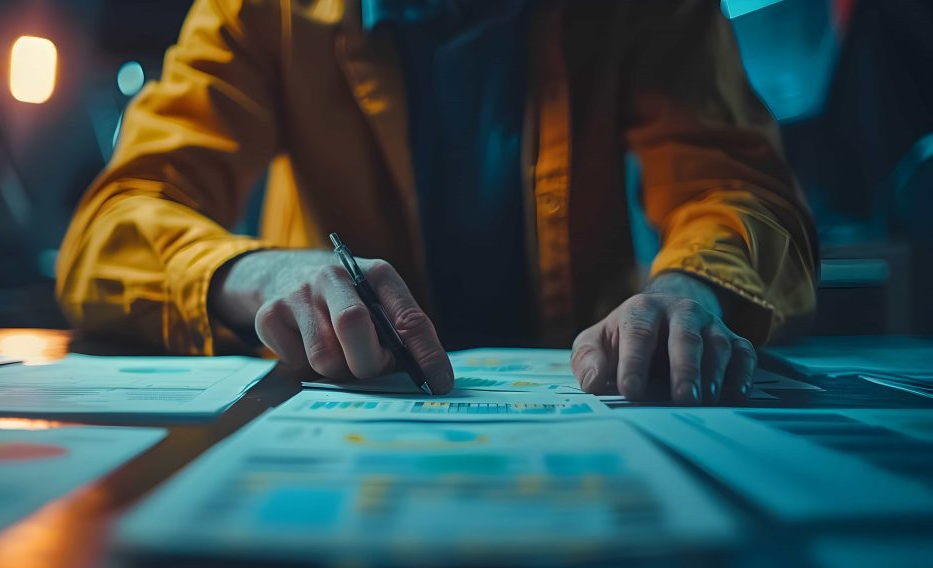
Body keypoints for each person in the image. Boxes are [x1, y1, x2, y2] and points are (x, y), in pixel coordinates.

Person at [57, 0, 817, 404]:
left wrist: (692, 290)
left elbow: (738, 185)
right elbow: (110, 223)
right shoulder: (261, 8)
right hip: (336, 423)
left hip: (590, 406)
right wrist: (255, 273)